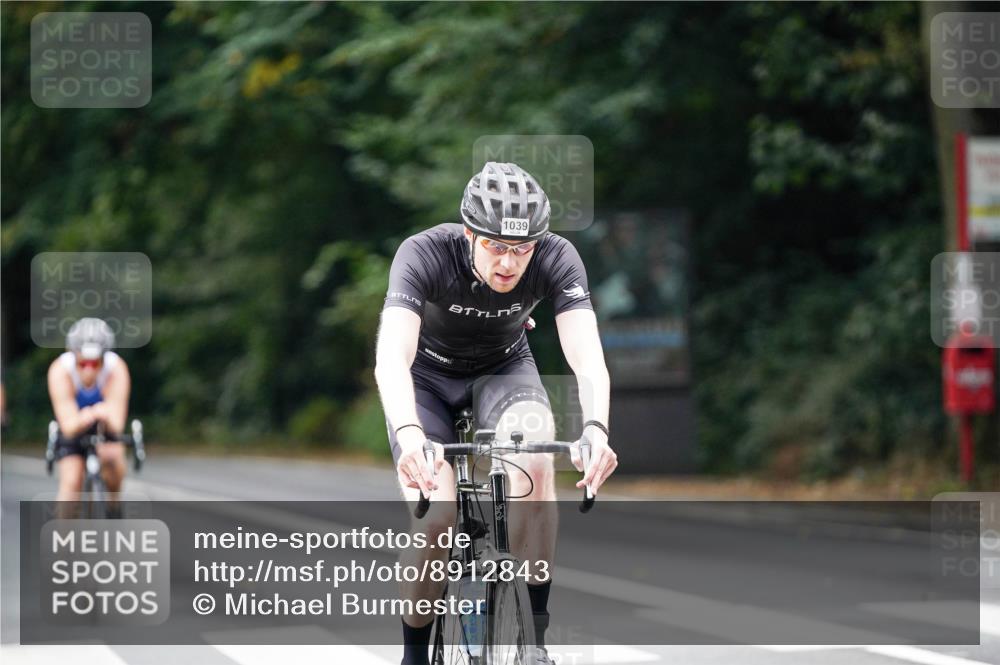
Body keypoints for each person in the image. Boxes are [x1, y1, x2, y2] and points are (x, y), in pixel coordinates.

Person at [375, 162, 618, 665]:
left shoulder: (557, 256)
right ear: (469, 234)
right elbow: (392, 354)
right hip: (426, 383)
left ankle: (534, 638)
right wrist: (408, 432)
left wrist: (595, 428)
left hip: (504, 371)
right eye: (495, 247)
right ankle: (414, 655)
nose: (509, 263)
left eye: (521, 249)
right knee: (437, 517)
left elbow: (586, 354)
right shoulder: (424, 253)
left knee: (535, 462)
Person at [47, 318, 131, 506]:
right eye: (83, 363)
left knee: (113, 461)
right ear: (73, 354)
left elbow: (117, 424)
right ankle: (63, 534)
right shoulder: (60, 370)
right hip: (74, 426)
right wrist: (88, 416)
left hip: (104, 428)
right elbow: (68, 426)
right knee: (71, 482)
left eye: (95, 363)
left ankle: (113, 505)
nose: (89, 370)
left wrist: (104, 418)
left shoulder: (116, 368)